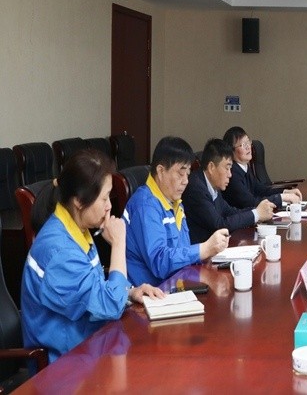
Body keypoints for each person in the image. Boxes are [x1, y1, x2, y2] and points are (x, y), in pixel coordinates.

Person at [21, 149, 163, 362]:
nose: (109, 206)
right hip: (65, 366)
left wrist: (129, 292)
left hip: (92, 346)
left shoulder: (77, 228)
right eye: (104, 198)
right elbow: (109, 306)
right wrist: (119, 243)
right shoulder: (59, 252)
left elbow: (92, 290)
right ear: (79, 201)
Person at [124, 136, 229, 286]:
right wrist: (203, 249)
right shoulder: (145, 206)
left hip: (176, 284)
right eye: (180, 173)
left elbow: (182, 252)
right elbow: (159, 262)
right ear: (161, 171)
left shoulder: (174, 202)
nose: (186, 181)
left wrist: (209, 253)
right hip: (151, 293)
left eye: (188, 174)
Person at [183, 138, 276, 244]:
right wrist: (256, 214)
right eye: (227, 168)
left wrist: (259, 211)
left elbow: (229, 212)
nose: (230, 175)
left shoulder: (212, 183)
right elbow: (219, 225)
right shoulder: (196, 188)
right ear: (211, 167)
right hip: (202, 251)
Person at [221, 126, 302, 210]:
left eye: (248, 142)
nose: (248, 147)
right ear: (231, 151)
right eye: (243, 144)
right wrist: (281, 198)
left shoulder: (244, 167)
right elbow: (251, 203)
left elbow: (261, 190)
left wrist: (285, 192)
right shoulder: (232, 174)